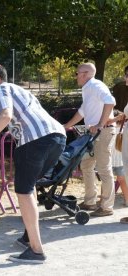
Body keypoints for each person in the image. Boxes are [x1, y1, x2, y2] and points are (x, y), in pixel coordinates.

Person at [0, 64, 66, 264]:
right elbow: (8, 120)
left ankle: (36, 251)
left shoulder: (2, 89)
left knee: (23, 191)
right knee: (30, 187)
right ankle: (29, 236)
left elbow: (5, 116)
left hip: (36, 139)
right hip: (56, 138)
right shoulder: (19, 92)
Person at [63, 62, 116, 217]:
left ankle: (106, 207)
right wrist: (66, 126)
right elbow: (82, 112)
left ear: (85, 74)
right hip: (94, 133)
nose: (75, 76)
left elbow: (110, 101)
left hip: (103, 132)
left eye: (76, 73)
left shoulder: (95, 85)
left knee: (104, 169)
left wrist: (100, 124)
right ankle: (90, 201)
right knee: (86, 165)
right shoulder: (88, 88)